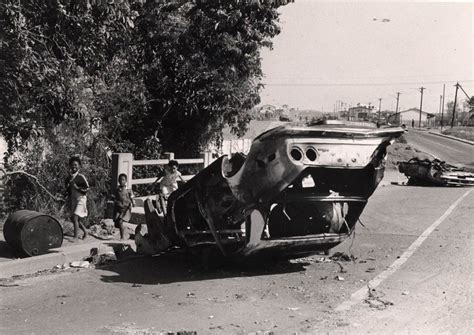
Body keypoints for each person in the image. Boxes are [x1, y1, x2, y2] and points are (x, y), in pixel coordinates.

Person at [65, 156, 89, 240]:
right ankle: (85, 232)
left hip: (81, 199)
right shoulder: (69, 177)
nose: (74, 167)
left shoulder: (80, 176)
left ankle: (75, 237)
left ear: (79, 166)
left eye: (76, 165)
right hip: (73, 199)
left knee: (75, 216)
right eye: (72, 165)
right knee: (75, 219)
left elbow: (87, 188)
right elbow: (67, 189)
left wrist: (77, 188)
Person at [112, 173, 135, 240]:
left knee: (120, 221)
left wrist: (133, 203)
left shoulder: (128, 190)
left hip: (125, 208)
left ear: (126, 181)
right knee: (116, 223)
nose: (121, 181)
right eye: (120, 180)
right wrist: (114, 200)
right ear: (118, 181)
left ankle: (122, 237)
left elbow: (132, 197)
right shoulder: (117, 190)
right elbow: (114, 197)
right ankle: (124, 232)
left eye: (123, 180)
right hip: (118, 207)